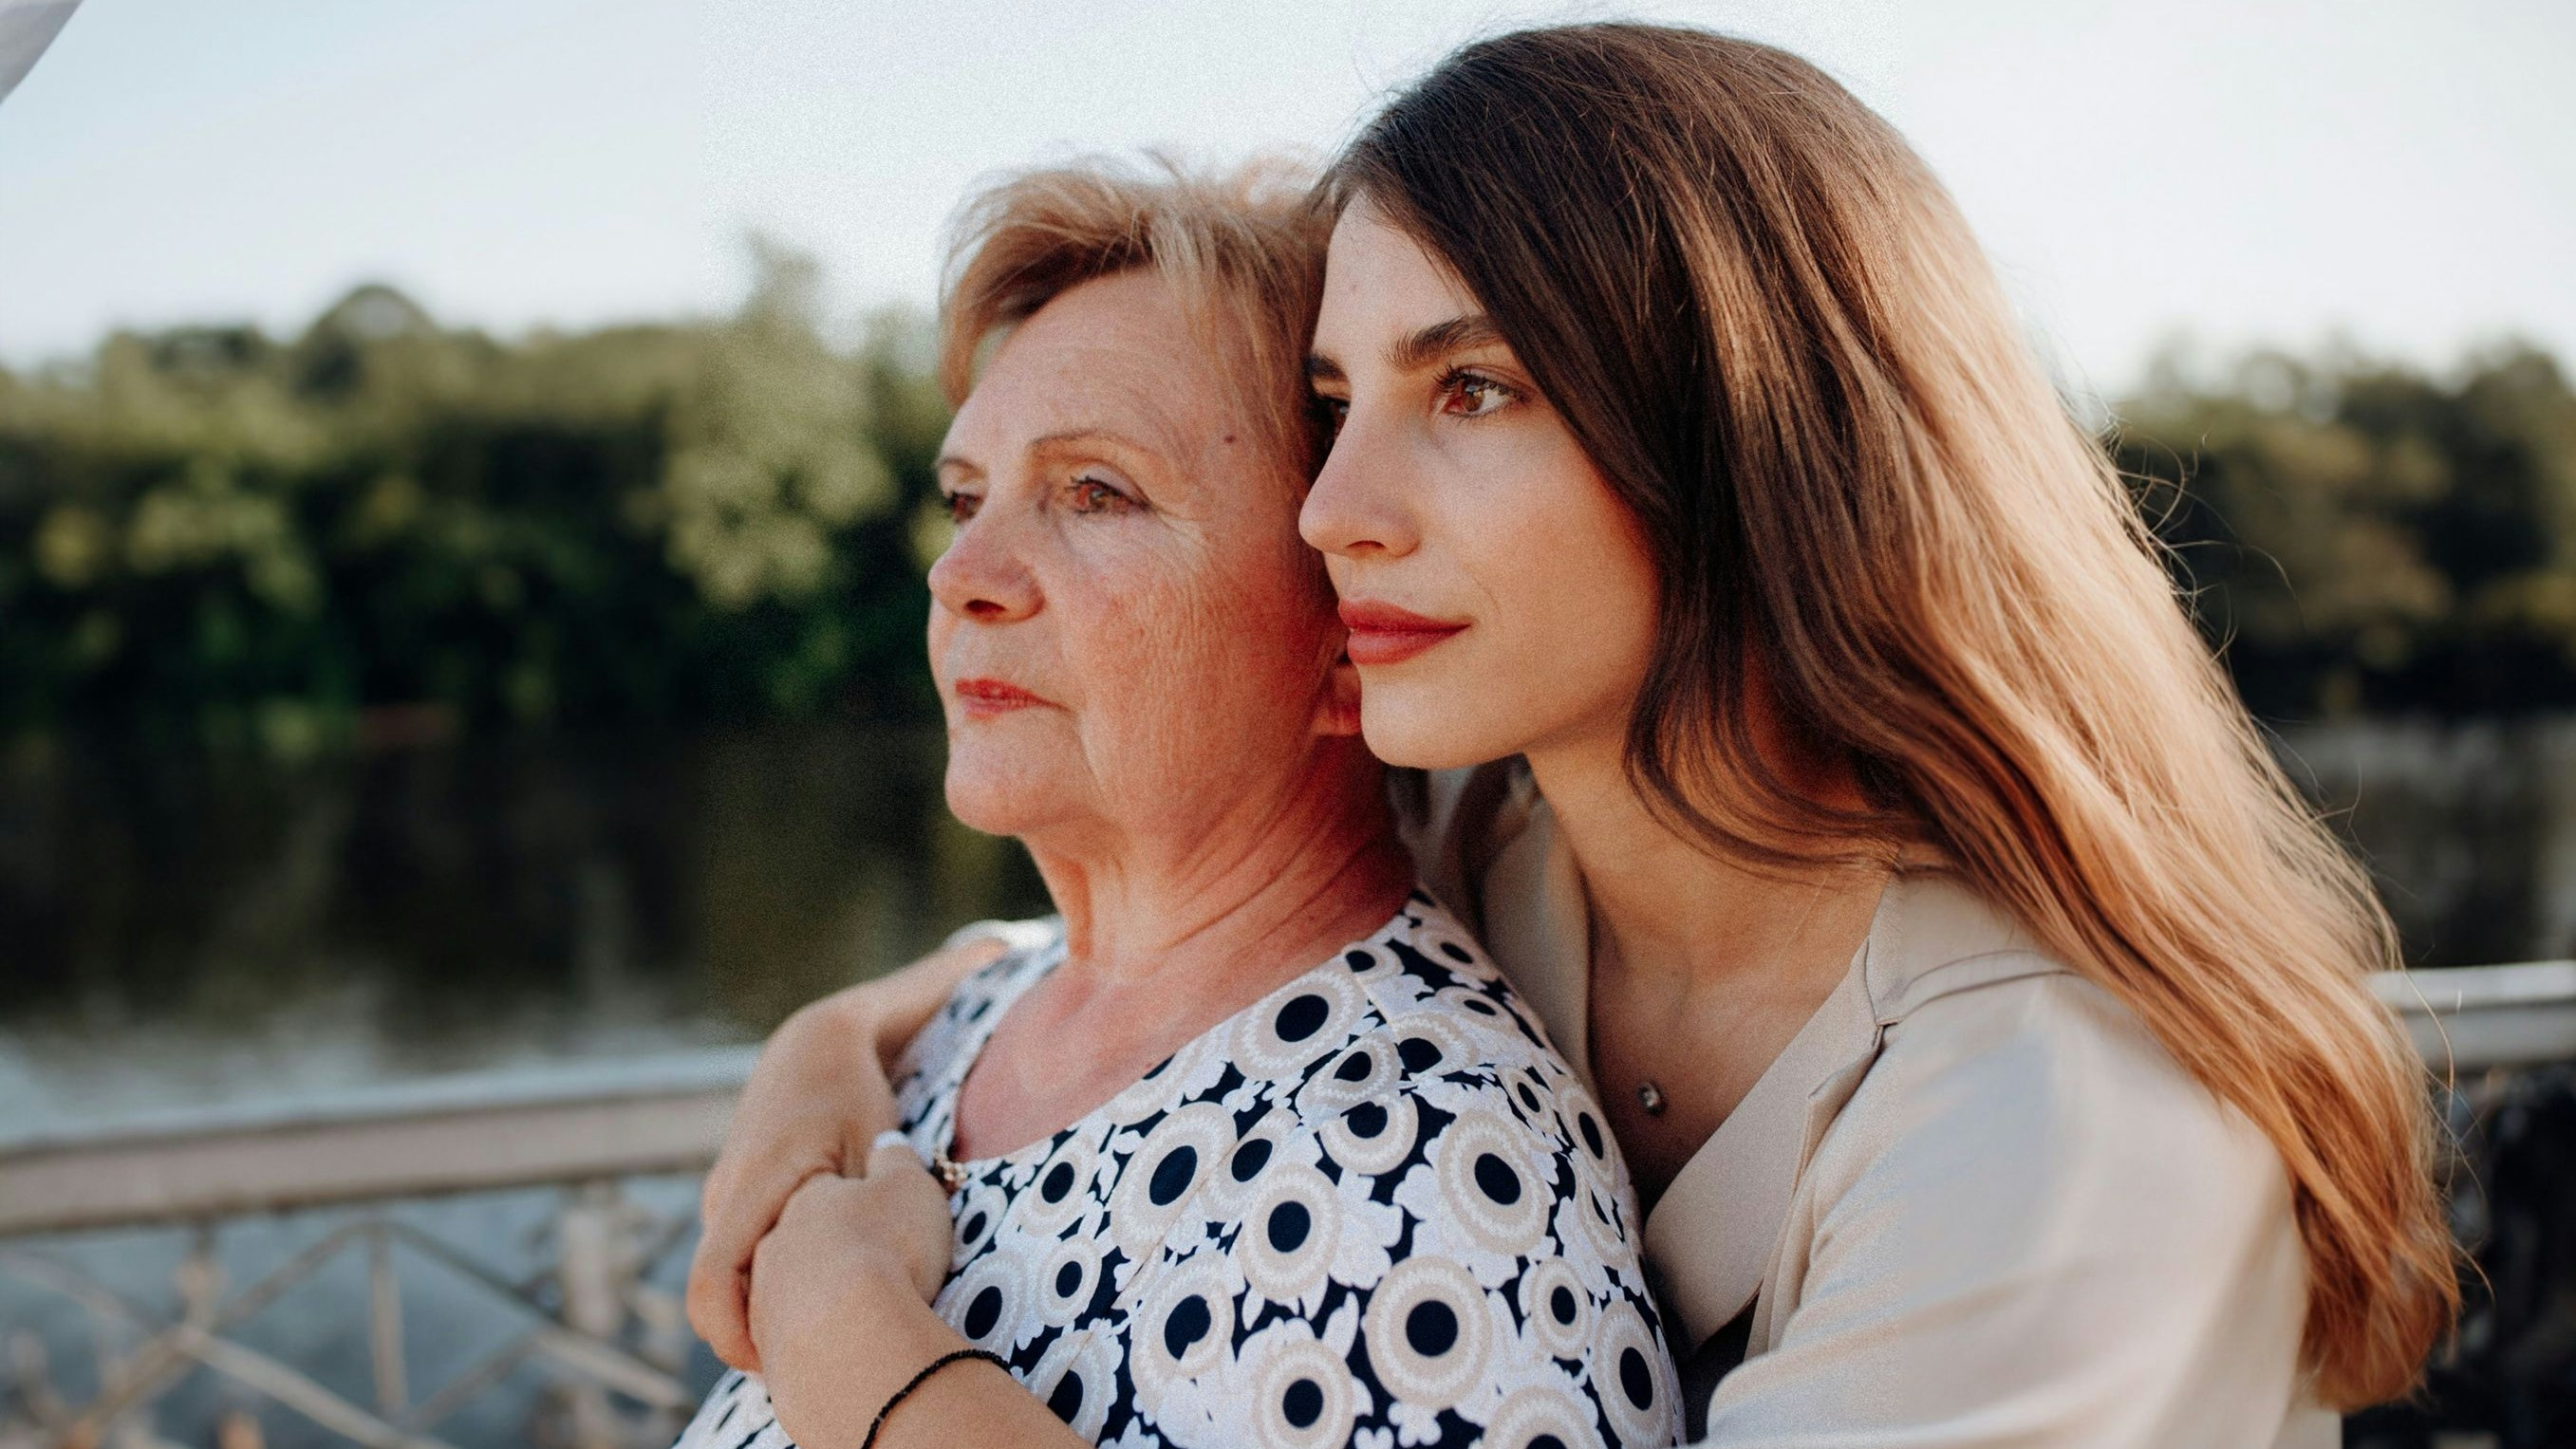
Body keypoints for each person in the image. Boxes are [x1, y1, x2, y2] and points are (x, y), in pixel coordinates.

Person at [691, 24, 2457, 1447]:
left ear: (1756, 442)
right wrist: (820, 1058)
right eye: (1334, 404)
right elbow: (1095, 952)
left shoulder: (2050, 1123)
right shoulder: (1513, 849)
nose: (1333, 511)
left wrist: (857, 1350)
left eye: (1472, 390)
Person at [665, 159, 1682, 1449]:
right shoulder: (972, 1022)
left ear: (1348, 632)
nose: (960, 571)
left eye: (1095, 492)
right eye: (967, 498)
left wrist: (842, 1328)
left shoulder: (1420, 1178)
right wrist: (821, 1040)